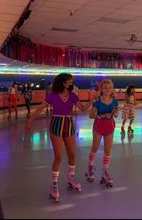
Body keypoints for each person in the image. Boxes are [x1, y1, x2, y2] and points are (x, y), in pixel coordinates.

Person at [25, 73, 94, 203]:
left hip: (68, 124)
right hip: (56, 125)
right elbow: (40, 108)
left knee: (72, 155)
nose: (72, 83)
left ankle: (70, 178)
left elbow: (83, 109)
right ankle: (54, 184)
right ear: (63, 83)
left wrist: (92, 100)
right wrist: (30, 120)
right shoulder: (52, 96)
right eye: (70, 81)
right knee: (58, 156)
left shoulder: (73, 96)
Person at [85, 79, 118, 187]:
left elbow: (116, 114)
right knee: (95, 147)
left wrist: (115, 113)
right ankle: (90, 167)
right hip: (99, 125)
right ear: (101, 89)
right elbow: (91, 115)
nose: (107, 90)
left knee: (108, 150)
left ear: (112, 89)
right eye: (105, 88)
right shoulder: (97, 101)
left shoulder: (114, 100)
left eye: (109, 88)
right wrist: (102, 116)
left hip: (109, 126)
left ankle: (105, 171)